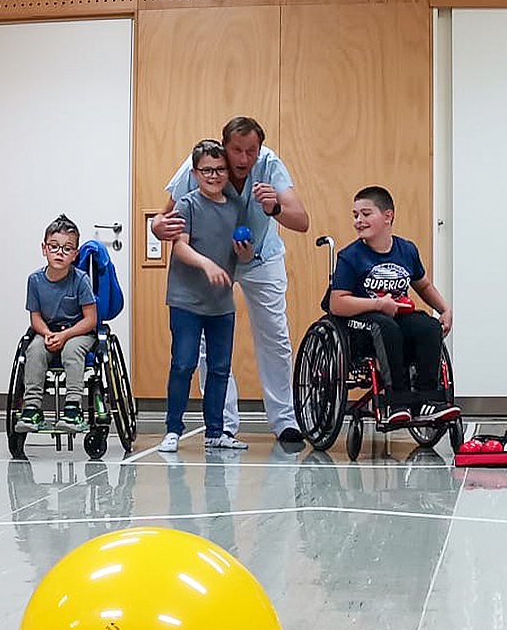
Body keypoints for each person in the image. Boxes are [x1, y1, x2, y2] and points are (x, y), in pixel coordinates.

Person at [153, 117, 309, 445]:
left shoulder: (270, 164)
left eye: (250, 151)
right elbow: (162, 215)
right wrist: (157, 228)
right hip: (214, 260)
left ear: (260, 149)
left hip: (260, 256)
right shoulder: (204, 162)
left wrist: (274, 207)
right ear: (224, 146)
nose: (242, 159)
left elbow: (302, 221)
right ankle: (221, 424)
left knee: (275, 337)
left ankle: (284, 420)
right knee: (210, 348)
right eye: (235, 150)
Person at [327, 186, 458, 425]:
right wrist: (377, 304)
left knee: (428, 327)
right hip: (361, 323)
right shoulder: (350, 256)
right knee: (385, 327)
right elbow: (337, 303)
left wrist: (445, 310)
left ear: (388, 216)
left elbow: (424, 286)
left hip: (395, 317)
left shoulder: (406, 250)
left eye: (366, 214)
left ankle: (429, 401)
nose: (358, 221)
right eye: (355, 215)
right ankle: (397, 401)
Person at [159, 139, 256, 454]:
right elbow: (181, 246)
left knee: (219, 368)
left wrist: (244, 253)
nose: (214, 176)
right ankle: (173, 429)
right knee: (184, 364)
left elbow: (242, 255)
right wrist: (206, 263)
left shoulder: (235, 207)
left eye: (220, 170)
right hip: (186, 301)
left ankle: (216, 431)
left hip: (221, 303)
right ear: (195, 172)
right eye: (207, 170)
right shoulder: (187, 204)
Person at [14, 215, 98, 435]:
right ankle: (32, 407)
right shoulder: (35, 280)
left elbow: (91, 319)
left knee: (71, 350)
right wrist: (48, 334)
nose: (60, 252)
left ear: (75, 255)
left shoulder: (80, 280)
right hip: (48, 331)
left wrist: (65, 336)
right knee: (34, 349)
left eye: (67, 248)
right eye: (54, 246)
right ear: (44, 248)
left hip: (78, 331)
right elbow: (35, 317)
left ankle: (73, 408)